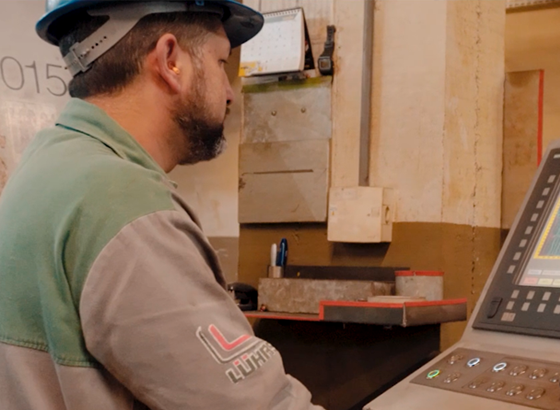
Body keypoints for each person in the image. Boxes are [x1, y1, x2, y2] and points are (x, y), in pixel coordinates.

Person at [0, 1, 323, 409]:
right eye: (221, 62)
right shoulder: (119, 205)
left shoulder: (45, 166)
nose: (229, 93)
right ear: (171, 60)